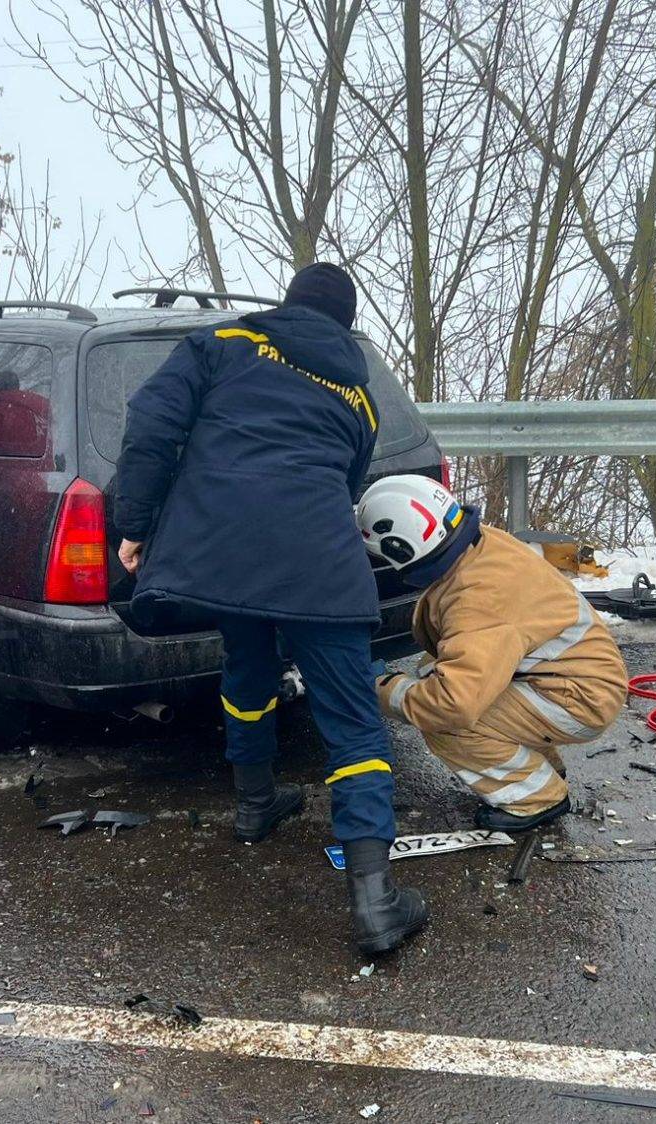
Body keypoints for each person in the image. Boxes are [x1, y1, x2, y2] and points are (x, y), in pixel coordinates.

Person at [114, 263, 428, 955]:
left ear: (287, 306)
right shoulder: (359, 392)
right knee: (352, 725)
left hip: (224, 550)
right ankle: (376, 903)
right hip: (319, 562)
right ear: (342, 326)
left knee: (246, 667)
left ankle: (256, 803)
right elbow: (346, 480)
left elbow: (151, 420)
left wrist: (133, 522)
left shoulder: (222, 342)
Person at [357, 475, 628, 832]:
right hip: (568, 676)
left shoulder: (478, 600)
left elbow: (452, 704)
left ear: (400, 547)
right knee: (432, 673)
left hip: (579, 699)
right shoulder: (480, 543)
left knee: (447, 720)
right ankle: (538, 766)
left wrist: (381, 688)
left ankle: (535, 797)